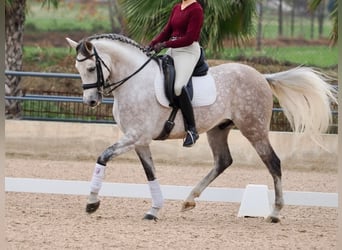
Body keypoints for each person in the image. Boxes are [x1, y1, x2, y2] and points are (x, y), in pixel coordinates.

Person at [149, 0, 204, 147]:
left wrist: (166, 44)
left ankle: (192, 130)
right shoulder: (177, 8)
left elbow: (189, 38)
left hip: (188, 51)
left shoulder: (196, 9)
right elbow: (167, 31)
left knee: (178, 87)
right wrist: (152, 44)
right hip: (173, 49)